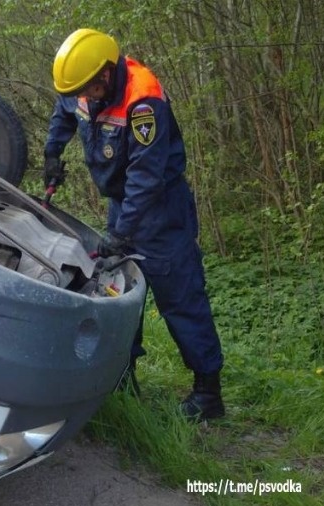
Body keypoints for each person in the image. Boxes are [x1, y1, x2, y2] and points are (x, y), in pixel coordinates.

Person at [43, 28, 225, 419]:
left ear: (106, 75)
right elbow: (64, 110)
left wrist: (123, 233)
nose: (83, 99)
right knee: (123, 292)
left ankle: (208, 393)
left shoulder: (143, 102)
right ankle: (124, 377)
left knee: (180, 296)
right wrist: (53, 154)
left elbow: (147, 176)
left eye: (88, 90)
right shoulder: (83, 84)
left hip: (160, 209)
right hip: (123, 204)